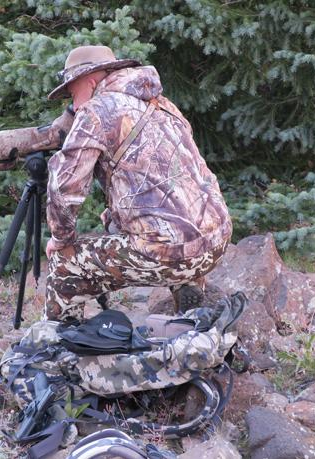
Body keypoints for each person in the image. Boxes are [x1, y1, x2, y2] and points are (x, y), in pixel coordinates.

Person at [43, 45, 232, 322]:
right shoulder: (162, 104)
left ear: (91, 80)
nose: (74, 105)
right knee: (120, 223)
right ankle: (189, 292)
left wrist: (61, 239)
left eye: (73, 93)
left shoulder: (96, 111)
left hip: (168, 253)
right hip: (216, 240)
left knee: (65, 264)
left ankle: (62, 349)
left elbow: (65, 188)